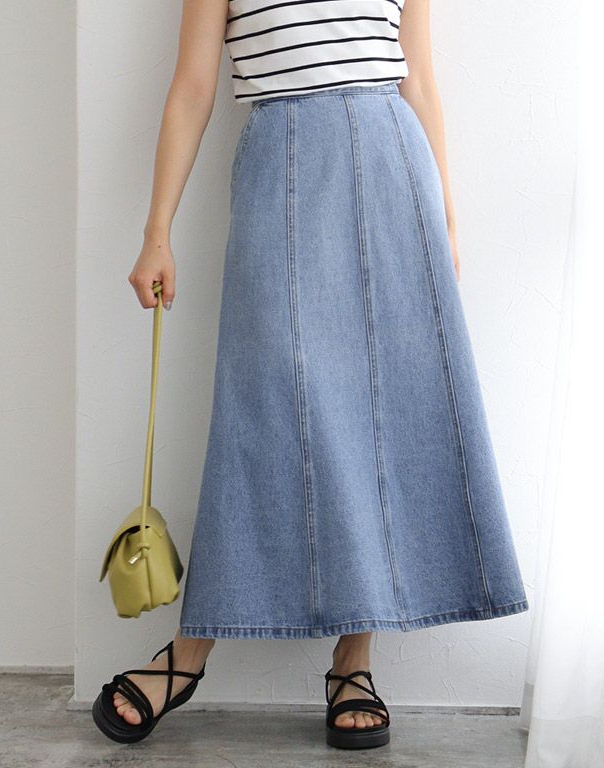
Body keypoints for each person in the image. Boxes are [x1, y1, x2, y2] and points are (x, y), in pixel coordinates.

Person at [92, 0, 529, 751]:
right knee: (263, 411)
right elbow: (193, 88)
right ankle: (190, 653)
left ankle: (354, 662)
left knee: (381, 413)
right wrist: (156, 230)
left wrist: (447, 215)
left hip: (393, 167)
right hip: (281, 165)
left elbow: (418, 80)